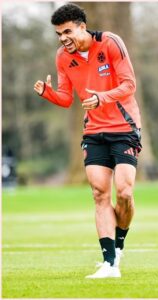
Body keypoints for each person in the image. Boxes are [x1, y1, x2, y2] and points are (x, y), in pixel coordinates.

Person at [33, 3, 142, 279]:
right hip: (94, 133)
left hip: (125, 127)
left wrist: (101, 98)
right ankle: (109, 264)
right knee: (99, 193)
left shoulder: (110, 42)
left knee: (125, 193)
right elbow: (67, 98)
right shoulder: (62, 57)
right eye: (58, 34)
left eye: (67, 31)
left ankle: (119, 246)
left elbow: (130, 84)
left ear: (82, 26)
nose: (63, 38)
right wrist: (48, 93)